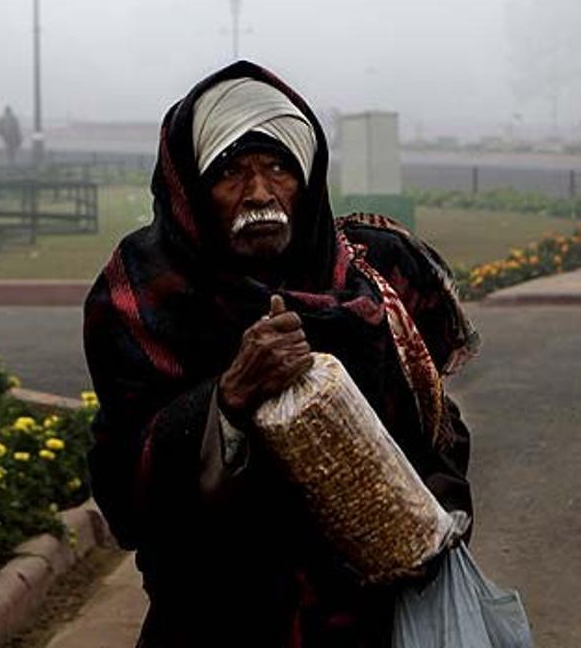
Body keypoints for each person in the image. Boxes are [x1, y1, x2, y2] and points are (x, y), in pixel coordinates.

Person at [83, 61, 480, 647]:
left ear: (309, 180)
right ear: (191, 188)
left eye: (278, 168)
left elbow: (439, 437)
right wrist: (226, 398)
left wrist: (427, 521)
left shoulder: (373, 278)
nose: (260, 194)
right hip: (215, 623)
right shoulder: (142, 295)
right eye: (231, 173)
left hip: (367, 624)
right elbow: (122, 486)